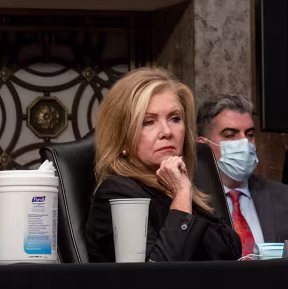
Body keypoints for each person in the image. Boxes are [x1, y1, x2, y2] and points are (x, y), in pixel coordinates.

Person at [85, 68, 241, 262]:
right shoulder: (117, 192)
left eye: (175, 119)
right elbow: (156, 275)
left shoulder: (178, 183)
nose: (167, 132)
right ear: (123, 139)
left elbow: (230, 250)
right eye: (149, 122)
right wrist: (182, 196)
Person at [197, 93, 288, 257]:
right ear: (204, 146)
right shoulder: (189, 202)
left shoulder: (287, 199)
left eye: (250, 134)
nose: (245, 143)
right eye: (230, 135)